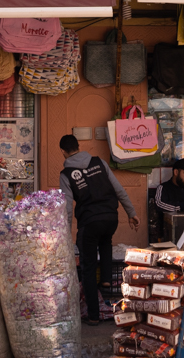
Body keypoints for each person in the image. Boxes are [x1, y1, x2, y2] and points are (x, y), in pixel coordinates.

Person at [58, 133, 138, 326]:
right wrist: (131, 212)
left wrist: (66, 235)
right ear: (79, 146)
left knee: (87, 268)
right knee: (106, 240)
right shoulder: (99, 162)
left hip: (89, 222)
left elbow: (67, 207)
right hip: (111, 217)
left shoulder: (66, 174)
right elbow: (118, 189)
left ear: (63, 152)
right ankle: (106, 278)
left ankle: (94, 315)